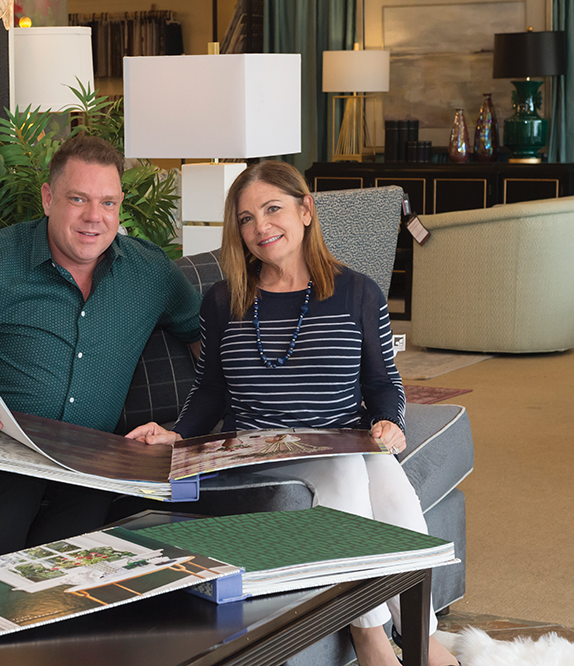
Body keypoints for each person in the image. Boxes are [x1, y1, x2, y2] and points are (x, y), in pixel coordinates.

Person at [125, 161, 459, 666]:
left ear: (305, 210)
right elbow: (210, 388)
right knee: (348, 471)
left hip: (341, 438)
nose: (260, 227)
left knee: (388, 483)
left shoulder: (359, 292)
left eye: (272, 209)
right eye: (246, 218)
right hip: (256, 452)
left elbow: (382, 381)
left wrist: (390, 421)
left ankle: (422, 639)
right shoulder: (224, 300)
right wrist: (180, 433)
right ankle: (371, 638)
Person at [0, 134, 202, 564]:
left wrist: (197, 426)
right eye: (78, 199)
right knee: (21, 477)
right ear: (48, 198)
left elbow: (207, 339)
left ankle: (50, 599)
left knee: (92, 491)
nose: (94, 217)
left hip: (85, 451)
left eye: (107, 203)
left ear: (120, 206)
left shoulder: (150, 272)